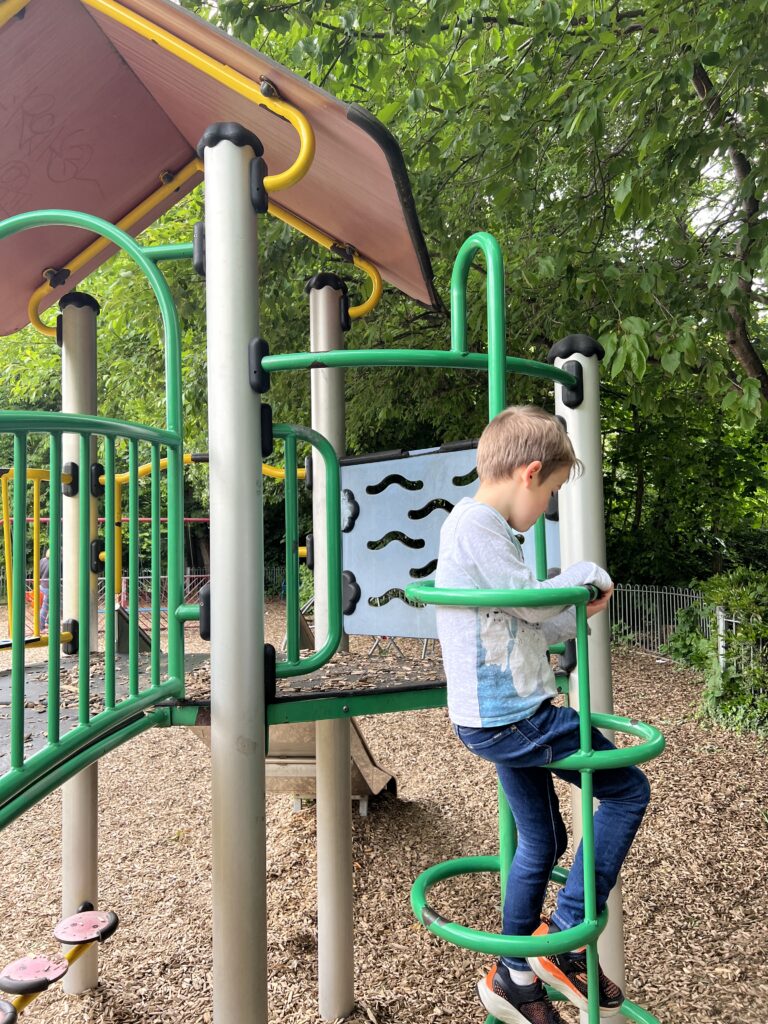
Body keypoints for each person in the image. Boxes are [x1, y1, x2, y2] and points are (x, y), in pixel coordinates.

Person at [435, 406, 650, 1024]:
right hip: (512, 718)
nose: (546, 508)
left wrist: (580, 606)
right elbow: (530, 607)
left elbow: (534, 620)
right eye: (552, 492)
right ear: (530, 473)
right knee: (629, 789)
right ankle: (566, 938)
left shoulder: (486, 530)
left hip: (512, 712)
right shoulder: (477, 523)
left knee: (543, 838)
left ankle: (515, 975)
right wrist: (580, 577)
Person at [39, 547, 50, 633]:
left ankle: (47, 622)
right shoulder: (56, 562)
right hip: (49, 587)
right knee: (45, 607)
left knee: (46, 606)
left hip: (42, 585)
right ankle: (41, 626)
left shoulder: (42, 561)